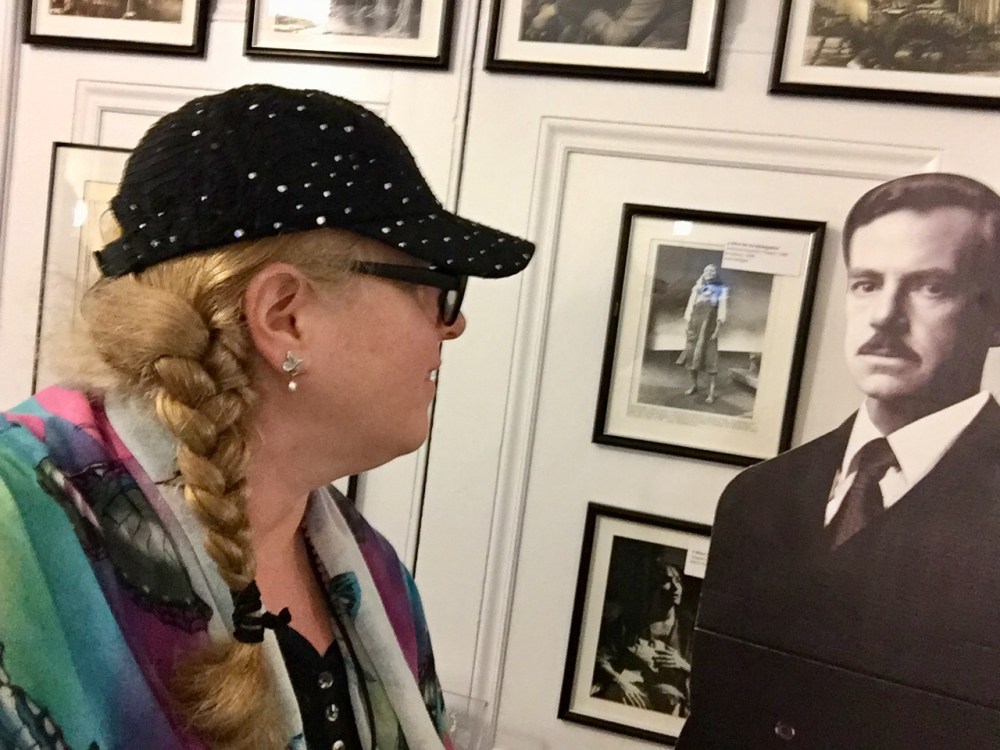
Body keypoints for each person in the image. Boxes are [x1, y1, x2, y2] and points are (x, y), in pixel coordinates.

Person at [0, 84, 534, 750]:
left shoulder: (375, 577)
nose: (451, 326)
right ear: (285, 316)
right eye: (435, 288)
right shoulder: (16, 529)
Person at [677, 173, 1000, 749]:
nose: (884, 316)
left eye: (931, 287)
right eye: (867, 284)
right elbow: (711, 718)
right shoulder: (758, 495)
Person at [592, 552, 693, 717]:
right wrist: (620, 681)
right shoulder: (631, 621)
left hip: (672, 701)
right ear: (653, 586)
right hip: (633, 692)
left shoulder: (688, 628)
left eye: (678, 581)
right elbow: (601, 657)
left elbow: (707, 676)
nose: (676, 588)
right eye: (667, 581)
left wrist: (683, 664)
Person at [676, 263, 728, 404]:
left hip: (709, 326)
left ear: (716, 274)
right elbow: (690, 307)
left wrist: (716, 331)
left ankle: (711, 393)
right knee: (692, 356)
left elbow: (722, 311)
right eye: (707, 271)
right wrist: (687, 325)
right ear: (703, 272)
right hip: (695, 325)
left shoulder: (721, 289)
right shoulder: (697, 287)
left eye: (712, 271)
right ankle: (694, 385)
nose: (709, 273)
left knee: (710, 358)